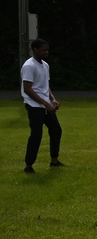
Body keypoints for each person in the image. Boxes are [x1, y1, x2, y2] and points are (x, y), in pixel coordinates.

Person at [21, 38, 64, 173]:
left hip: (46, 105)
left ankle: (54, 160)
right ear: (35, 49)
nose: (46, 52)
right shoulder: (29, 66)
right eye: (43, 50)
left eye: (47, 50)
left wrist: (53, 99)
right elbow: (28, 88)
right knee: (36, 134)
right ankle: (29, 165)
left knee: (56, 130)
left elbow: (46, 85)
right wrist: (45, 103)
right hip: (34, 105)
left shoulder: (45, 65)